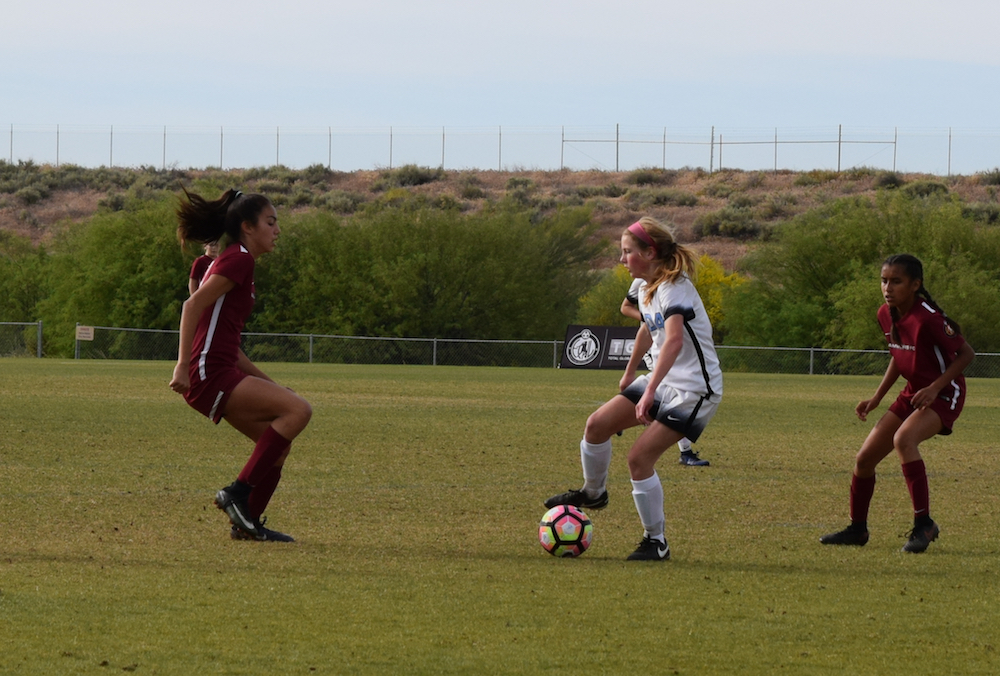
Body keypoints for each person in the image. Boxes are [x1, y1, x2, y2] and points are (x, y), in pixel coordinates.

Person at [545, 217, 723, 561]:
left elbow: (672, 341)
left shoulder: (676, 288)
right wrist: (629, 374)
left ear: (649, 252)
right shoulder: (645, 288)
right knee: (597, 425)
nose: (622, 259)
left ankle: (656, 542)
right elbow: (648, 330)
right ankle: (594, 493)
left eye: (627, 252)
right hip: (663, 380)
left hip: (694, 390)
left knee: (639, 458)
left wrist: (649, 389)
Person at [169, 188, 312, 542]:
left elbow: (231, 348)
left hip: (220, 369)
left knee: (277, 444)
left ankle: (245, 524)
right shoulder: (239, 259)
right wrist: (182, 366)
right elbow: (191, 307)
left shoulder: (237, 259)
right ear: (248, 226)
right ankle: (236, 494)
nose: (277, 230)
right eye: (270, 222)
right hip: (209, 373)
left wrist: (273, 385)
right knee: (299, 411)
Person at [820, 254, 974, 553]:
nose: (887, 287)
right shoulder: (885, 313)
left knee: (904, 439)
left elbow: (967, 355)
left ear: (915, 285)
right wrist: (877, 397)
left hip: (944, 393)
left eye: (896, 281)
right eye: (884, 280)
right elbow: (898, 355)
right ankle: (857, 529)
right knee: (864, 459)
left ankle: (924, 524)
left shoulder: (928, 318)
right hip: (913, 391)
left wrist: (934, 387)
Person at [622, 278, 710, 467]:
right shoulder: (640, 283)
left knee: (670, 397)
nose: (624, 260)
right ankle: (685, 452)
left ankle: (620, 420)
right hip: (657, 346)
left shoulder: (674, 283)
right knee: (669, 397)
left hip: (666, 344)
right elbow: (625, 307)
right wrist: (648, 317)